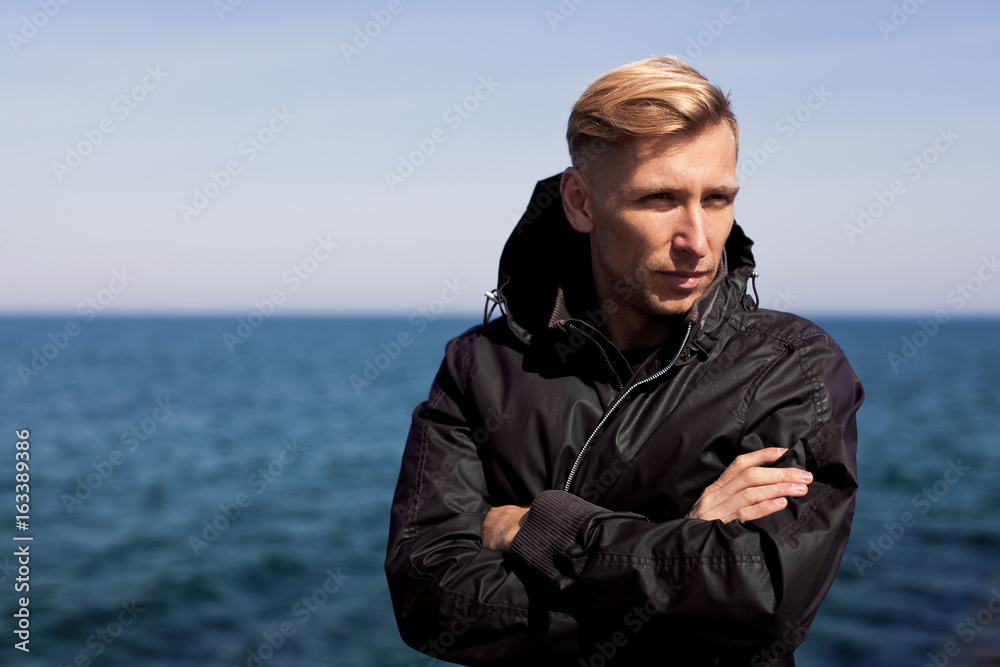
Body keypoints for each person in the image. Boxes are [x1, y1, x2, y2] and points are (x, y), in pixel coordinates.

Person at [385, 55, 863, 666]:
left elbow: (763, 601)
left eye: (717, 199)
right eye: (660, 199)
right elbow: (428, 601)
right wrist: (685, 545)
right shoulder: (480, 367)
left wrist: (539, 530)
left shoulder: (789, 367)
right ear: (580, 202)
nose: (697, 240)